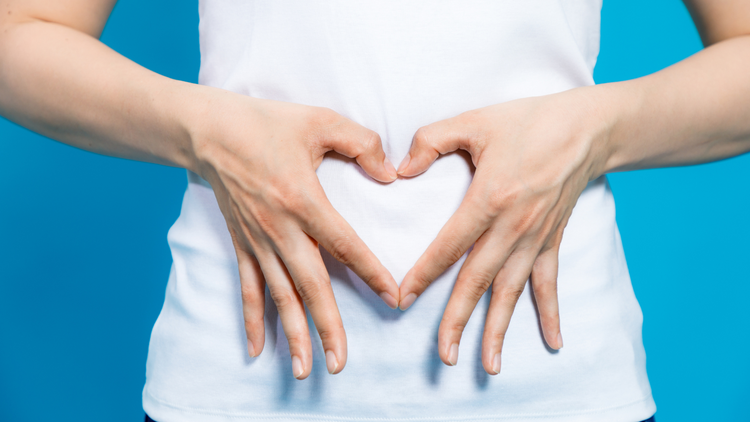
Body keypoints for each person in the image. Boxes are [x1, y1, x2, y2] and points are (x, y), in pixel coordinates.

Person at [1, 0, 748, 421]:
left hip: (556, 389)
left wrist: (600, 129)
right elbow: (18, 32)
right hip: (243, 387)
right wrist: (203, 131)